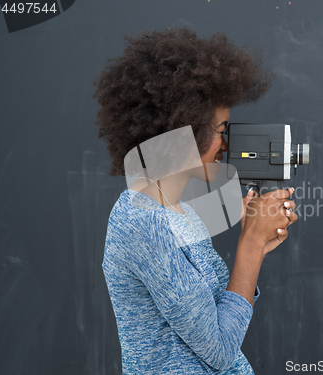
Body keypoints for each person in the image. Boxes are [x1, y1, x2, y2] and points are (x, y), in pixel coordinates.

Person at [92, 26, 298, 374]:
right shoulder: (145, 220)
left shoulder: (175, 209)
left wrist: (258, 240)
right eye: (220, 131)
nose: (227, 144)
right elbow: (217, 351)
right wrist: (249, 246)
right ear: (183, 129)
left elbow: (214, 318)